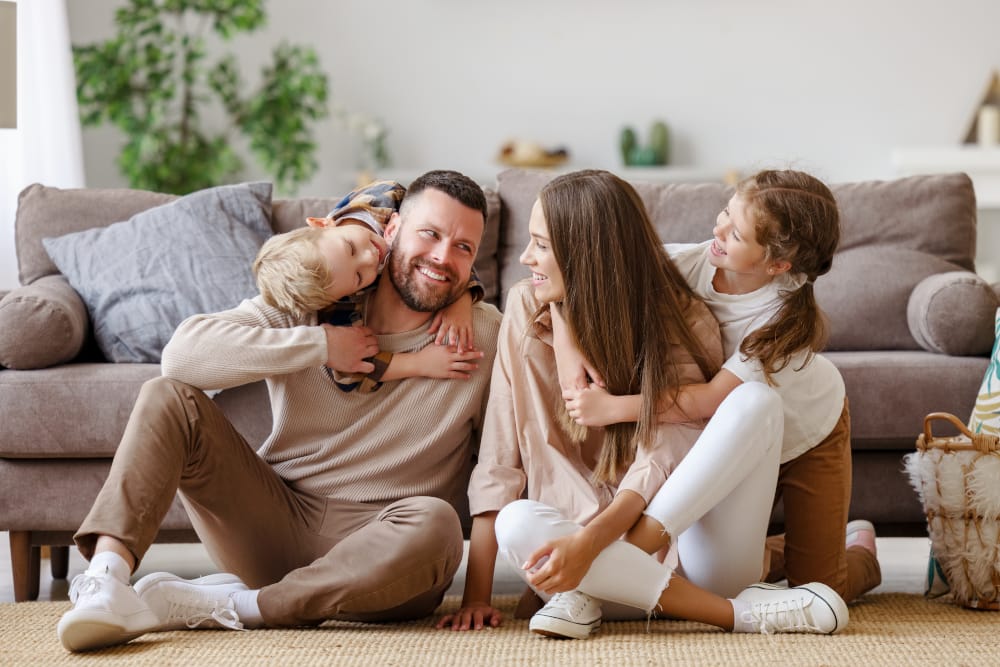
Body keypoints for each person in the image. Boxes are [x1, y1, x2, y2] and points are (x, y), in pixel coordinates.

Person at [56, 170, 502, 652]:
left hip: (388, 551)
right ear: (390, 232)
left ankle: (239, 607)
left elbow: (501, 461)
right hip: (278, 520)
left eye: (463, 248)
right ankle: (105, 582)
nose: (442, 257)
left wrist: (479, 593)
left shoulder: (483, 333)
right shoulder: (317, 294)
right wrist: (320, 345)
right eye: (431, 234)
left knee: (437, 522)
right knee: (167, 397)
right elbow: (182, 358)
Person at [438, 169, 848, 639]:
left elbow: (688, 425)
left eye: (542, 246)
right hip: (581, 559)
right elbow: (498, 458)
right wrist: (477, 596)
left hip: (697, 514)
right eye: (725, 215)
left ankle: (751, 596)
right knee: (517, 522)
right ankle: (708, 603)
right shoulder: (537, 305)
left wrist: (597, 539)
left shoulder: (708, 318)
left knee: (757, 408)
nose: (525, 258)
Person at [561, 169, 881, 606]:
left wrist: (613, 407)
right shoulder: (683, 264)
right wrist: (570, 342)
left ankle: (859, 550)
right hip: (737, 439)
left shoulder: (781, 321)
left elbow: (710, 399)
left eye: (737, 234)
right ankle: (776, 555)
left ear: (777, 265)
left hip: (807, 432)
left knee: (822, 589)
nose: (717, 230)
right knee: (726, 563)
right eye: (724, 213)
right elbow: (572, 284)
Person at [253, 180, 484, 389]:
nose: (370, 258)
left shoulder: (385, 196)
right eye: (359, 277)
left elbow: (448, 236)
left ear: (323, 224)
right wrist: (419, 363)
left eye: (350, 248)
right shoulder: (340, 300)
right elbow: (352, 370)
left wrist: (461, 300)